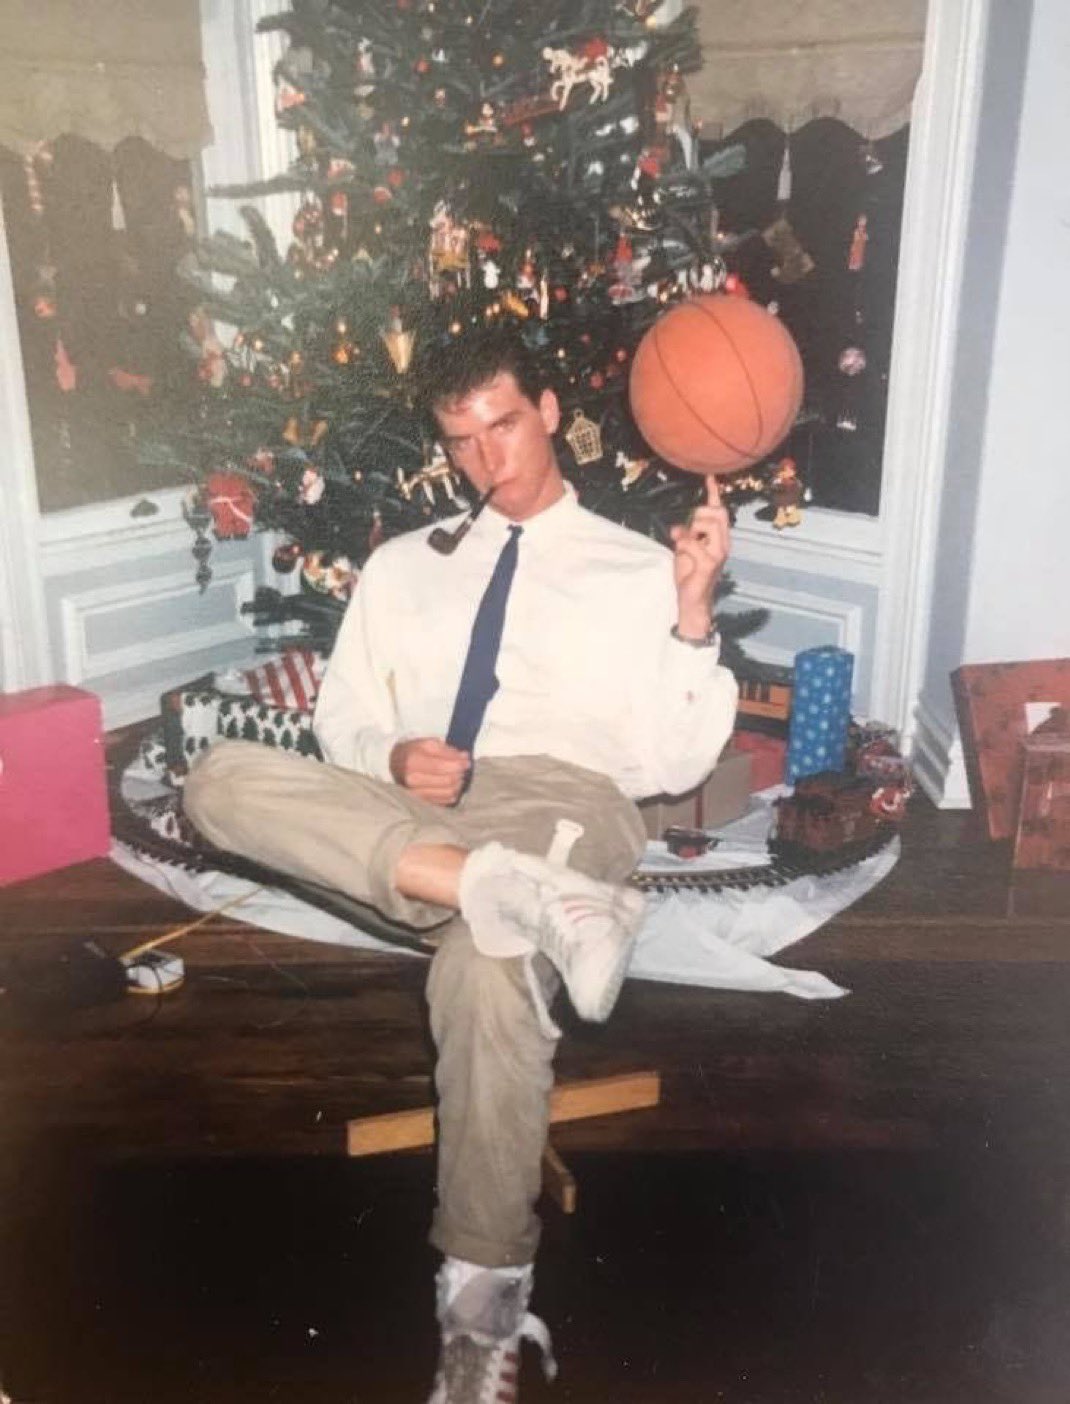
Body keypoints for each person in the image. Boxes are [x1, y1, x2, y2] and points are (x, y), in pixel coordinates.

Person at [182, 328, 737, 1402]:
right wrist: (391, 755)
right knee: (216, 781)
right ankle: (504, 893)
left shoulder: (640, 569)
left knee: (484, 970)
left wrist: (692, 611)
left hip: (563, 803)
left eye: (504, 427)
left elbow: (672, 766)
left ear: (548, 410)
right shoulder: (403, 567)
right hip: (421, 816)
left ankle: (478, 1324)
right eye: (461, 442)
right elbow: (344, 720)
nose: (488, 461)